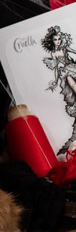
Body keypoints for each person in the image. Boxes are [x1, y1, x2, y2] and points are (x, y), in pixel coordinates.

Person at [42, 25, 76, 154]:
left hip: (73, 67)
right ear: (51, 41)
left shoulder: (64, 48)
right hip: (66, 73)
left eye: (59, 39)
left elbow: (73, 51)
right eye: (55, 40)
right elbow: (56, 69)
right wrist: (55, 82)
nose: (57, 42)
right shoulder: (54, 53)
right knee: (70, 82)